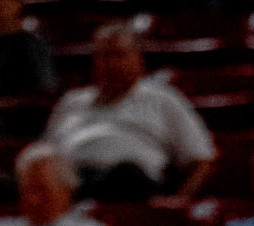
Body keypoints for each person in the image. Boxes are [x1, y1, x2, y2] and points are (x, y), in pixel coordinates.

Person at [41, 23, 214, 202]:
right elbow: (44, 156)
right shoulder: (72, 101)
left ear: (138, 59)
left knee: (127, 174)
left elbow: (202, 160)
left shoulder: (163, 99)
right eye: (104, 56)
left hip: (130, 185)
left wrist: (177, 204)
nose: (112, 64)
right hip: (71, 185)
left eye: (119, 55)